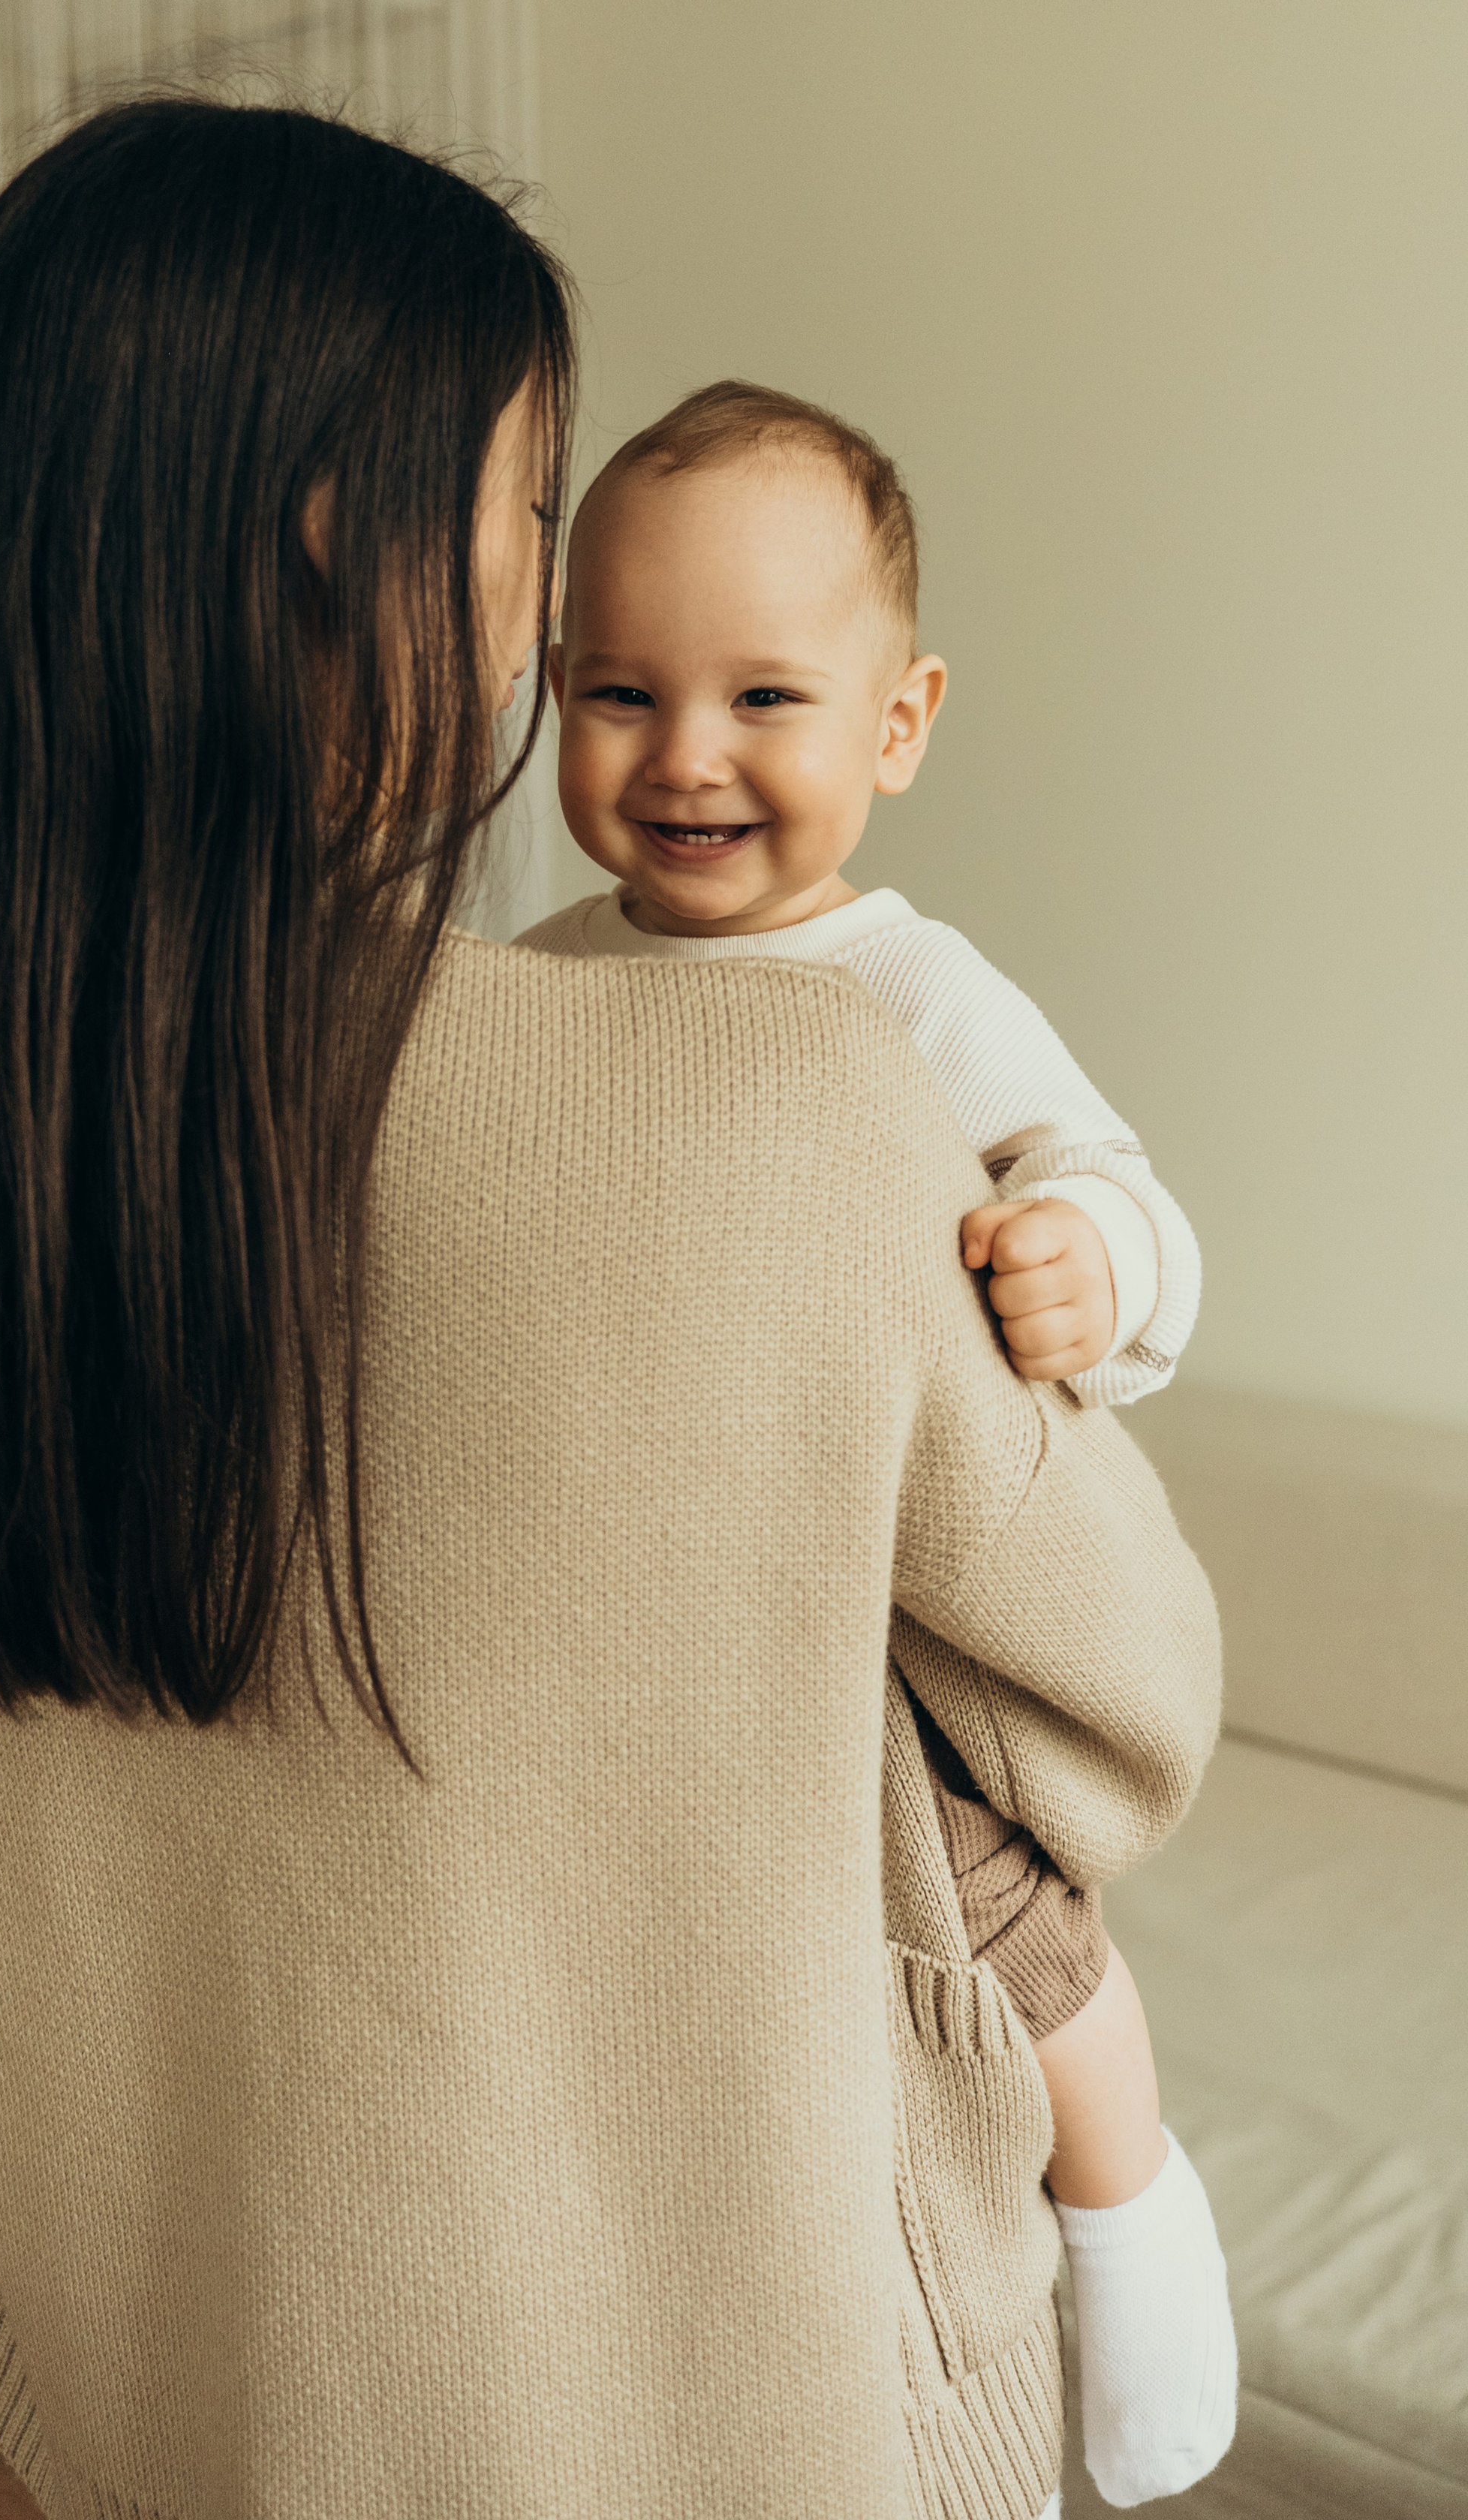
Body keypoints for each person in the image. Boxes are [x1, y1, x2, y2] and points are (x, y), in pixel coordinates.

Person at [0, 98, 1221, 2520]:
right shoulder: (771, 1106)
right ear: (347, 553)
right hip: (707, 2426)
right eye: (537, 508)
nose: (578, 644)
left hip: (158, 2399)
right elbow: (1117, 1720)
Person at [521, 376, 1239, 2509]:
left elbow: (1117, 1181)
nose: (687, 755)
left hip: (869, 1588)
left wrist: (1088, 1258)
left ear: (900, 723)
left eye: (765, 696)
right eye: (622, 692)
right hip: (640, 1592)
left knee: (1004, 1913)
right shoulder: (532, 984)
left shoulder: (910, 990)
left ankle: (1132, 2210)